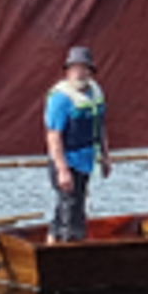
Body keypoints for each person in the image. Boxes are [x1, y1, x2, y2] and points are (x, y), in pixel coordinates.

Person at [44, 46, 111, 243]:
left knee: (73, 205)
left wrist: (105, 157)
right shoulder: (61, 99)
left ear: (90, 71)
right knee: (70, 209)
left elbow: (100, 127)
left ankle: (53, 242)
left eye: (84, 68)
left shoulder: (94, 93)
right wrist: (62, 170)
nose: (79, 73)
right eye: (75, 68)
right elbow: (53, 136)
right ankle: (67, 251)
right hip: (66, 161)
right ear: (67, 71)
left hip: (86, 160)